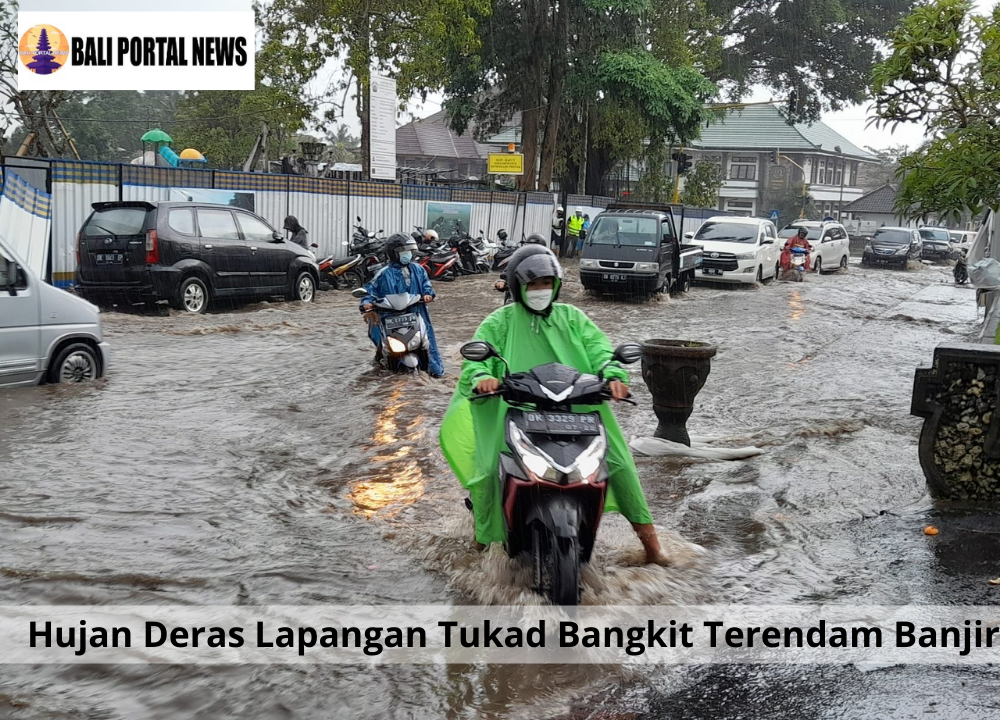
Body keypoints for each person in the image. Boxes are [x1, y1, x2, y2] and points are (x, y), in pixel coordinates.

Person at [440, 246, 673, 566]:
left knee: (619, 462)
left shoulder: (573, 318)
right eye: (532, 284)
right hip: (517, 411)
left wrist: (614, 375)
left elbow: (601, 350)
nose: (540, 290)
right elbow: (475, 364)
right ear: (517, 286)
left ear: (557, 284)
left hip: (578, 410)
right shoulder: (500, 321)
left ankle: (652, 547)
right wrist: (483, 376)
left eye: (546, 283)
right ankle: (482, 544)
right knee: (486, 472)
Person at [359, 233, 445, 377]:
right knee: (383, 346)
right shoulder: (383, 274)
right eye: (403, 252)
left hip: (416, 313)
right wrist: (366, 303)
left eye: (410, 251)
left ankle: (434, 372)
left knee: (427, 344)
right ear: (393, 253)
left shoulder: (418, 270)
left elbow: (426, 286)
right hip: (390, 316)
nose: (408, 255)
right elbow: (370, 290)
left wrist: (428, 294)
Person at [494, 233, 547, 298]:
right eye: (530, 248)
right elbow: (508, 271)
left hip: (539, 296)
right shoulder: (518, 261)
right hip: (518, 295)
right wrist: (502, 281)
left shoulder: (546, 264)